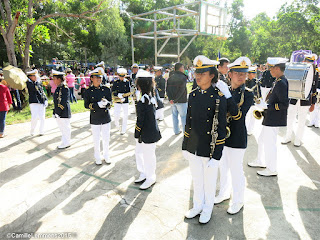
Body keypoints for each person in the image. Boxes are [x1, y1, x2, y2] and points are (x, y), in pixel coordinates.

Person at [182, 55, 227, 224]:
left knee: (209, 183)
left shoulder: (219, 97)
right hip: (194, 146)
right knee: (197, 180)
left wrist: (217, 156)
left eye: (203, 72)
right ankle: (197, 205)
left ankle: (207, 208)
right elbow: (189, 122)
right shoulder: (193, 95)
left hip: (209, 148)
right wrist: (185, 146)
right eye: (196, 72)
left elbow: (221, 129)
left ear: (212, 75)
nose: (198, 76)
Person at [214, 57, 254, 214]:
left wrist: (227, 97)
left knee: (236, 170)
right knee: (223, 167)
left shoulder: (248, 94)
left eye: (243, 74)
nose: (241, 77)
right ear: (229, 74)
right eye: (237, 73)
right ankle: (224, 192)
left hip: (237, 137)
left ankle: (238, 200)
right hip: (223, 136)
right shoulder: (225, 90)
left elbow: (238, 116)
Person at [248, 58, 289, 176]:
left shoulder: (281, 82)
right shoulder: (278, 80)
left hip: (274, 118)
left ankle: (271, 169)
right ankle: (260, 160)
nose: (269, 70)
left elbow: (284, 104)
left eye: (271, 67)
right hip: (270, 117)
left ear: (277, 68)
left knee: (269, 143)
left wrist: (268, 106)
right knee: (262, 140)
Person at [282, 53, 319, 146]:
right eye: (308, 61)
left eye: (311, 61)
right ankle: (288, 136)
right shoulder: (298, 69)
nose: (309, 63)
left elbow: (313, 88)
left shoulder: (315, 72)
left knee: (302, 121)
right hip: (294, 98)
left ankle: (298, 139)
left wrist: (313, 103)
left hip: (306, 100)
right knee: (290, 118)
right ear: (304, 61)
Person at [134, 70, 162, 190]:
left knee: (148, 156)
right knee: (140, 153)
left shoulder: (144, 101)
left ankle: (151, 177)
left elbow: (140, 120)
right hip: (149, 132)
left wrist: (137, 133)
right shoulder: (149, 97)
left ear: (140, 86)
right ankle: (144, 173)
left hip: (147, 133)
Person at [84, 68, 112, 165]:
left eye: (100, 77)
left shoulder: (106, 89)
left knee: (106, 138)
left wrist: (107, 103)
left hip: (105, 117)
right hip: (95, 117)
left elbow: (110, 102)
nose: (99, 79)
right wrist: (97, 105)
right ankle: (97, 157)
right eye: (96, 77)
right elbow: (86, 105)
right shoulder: (88, 91)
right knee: (96, 139)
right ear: (91, 78)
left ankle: (106, 155)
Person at [166, 63, 188, 135]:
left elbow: (167, 90)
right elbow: (182, 90)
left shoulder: (170, 77)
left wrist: (170, 99)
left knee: (174, 116)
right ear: (181, 68)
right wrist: (175, 99)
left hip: (173, 101)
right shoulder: (183, 77)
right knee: (183, 117)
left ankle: (176, 131)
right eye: (183, 67)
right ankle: (185, 133)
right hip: (181, 101)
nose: (184, 69)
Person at [52, 70, 71, 149]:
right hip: (59, 112)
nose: (53, 80)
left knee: (65, 127)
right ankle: (65, 141)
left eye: (55, 78)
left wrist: (58, 112)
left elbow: (63, 101)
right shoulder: (59, 87)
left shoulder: (64, 88)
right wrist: (55, 111)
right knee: (62, 128)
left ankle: (66, 142)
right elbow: (56, 101)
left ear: (59, 79)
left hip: (63, 111)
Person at [26, 69, 48, 136]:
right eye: (34, 76)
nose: (35, 77)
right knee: (34, 117)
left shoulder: (37, 82)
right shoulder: (29, 83)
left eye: (36, 75)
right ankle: (32, 130)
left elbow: (41, 91)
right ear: (30, 77)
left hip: (41, 101)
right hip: (34, 102)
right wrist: (37, 82)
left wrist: (45, 99)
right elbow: (34, 88)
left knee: (42, 117)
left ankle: (41, 130)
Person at [112, 68, 131, 134]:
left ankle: (124, 129)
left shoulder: (127, 82)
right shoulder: (115, 82)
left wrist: (125, 97)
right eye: (120, 76)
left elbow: (129, 91)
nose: (122, 77)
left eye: (123, 76)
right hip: (117, 100)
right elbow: (112, 91)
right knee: (116, 115)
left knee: (125, 115)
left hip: (125, 100)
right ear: (118, 76)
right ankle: (117, 125)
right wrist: (118, 94)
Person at [245, 67, 262, 135]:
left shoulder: (257, 82)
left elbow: (259, 92)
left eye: (255, 73)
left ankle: (250, 130)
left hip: (254, 102)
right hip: (246, 101)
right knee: (246, 116)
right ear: (248, 74)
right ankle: (245, 129)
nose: (254, 74)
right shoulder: (245, 82)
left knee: (253, 117)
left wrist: (259, 99)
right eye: (253, 73)